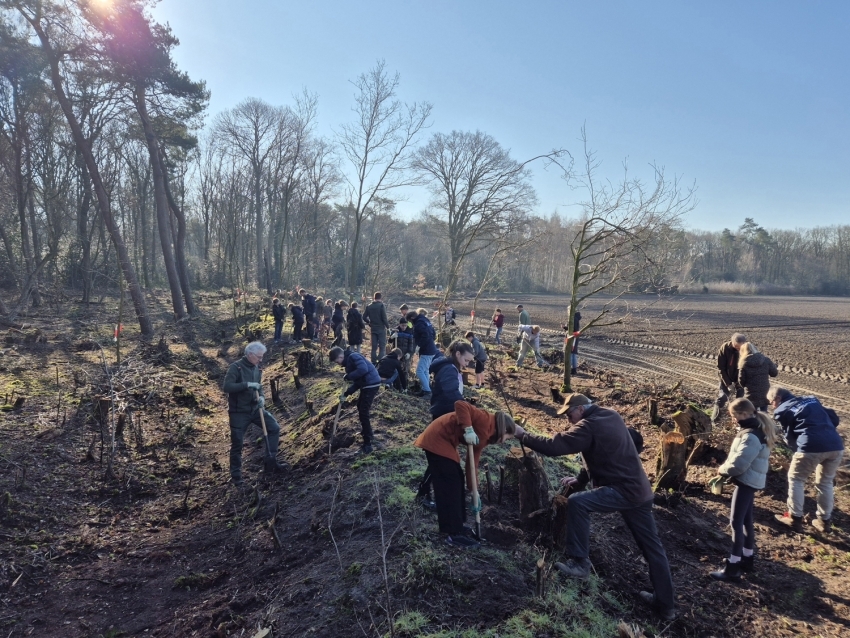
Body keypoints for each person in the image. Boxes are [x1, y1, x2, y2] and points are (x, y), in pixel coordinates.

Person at [513, 393, 676, 621]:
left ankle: (580, 563)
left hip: (623, 491)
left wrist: (523, 435)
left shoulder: (589, 425)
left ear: (580, 409)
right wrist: (580, 480)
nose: (569, 420)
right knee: (652, 548)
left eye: (569, 414)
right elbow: (599, 452)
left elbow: (555, 446)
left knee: (578, 502)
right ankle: (666, 605)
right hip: (640, 491)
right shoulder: (610, 415)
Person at [414, 400, 516, 548]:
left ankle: (458, 525)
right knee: (450, 484)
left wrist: (474, 491)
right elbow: (461, 404)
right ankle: (453, 534)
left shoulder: (486, 436)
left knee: (458, 479)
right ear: (503, 429)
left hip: (447, 442)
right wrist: (468, 429)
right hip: (438, 438)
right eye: (507, 437)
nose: (504, 441)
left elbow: (472, 463)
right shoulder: (485, 419)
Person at [708, 398, 777, 581]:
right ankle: (747, 558)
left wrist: (722, 470)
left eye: (734, 416)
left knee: (735, 523)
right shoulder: (756, 429)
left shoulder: (751, 436)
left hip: (746, 482)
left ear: (743, 414)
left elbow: (739, 464)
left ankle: (732, 568)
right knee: (746, 521)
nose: (733, 419)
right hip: (751, 480)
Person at [769, 387, 844, 533]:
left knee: (796, 478)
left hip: (810, 445)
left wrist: (797, 451)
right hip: (835, 445)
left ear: (777, 399)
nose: (772, 406)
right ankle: (824, 521)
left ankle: (794, 518)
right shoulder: (811, 399)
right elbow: (834, 418)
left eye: (771, 402)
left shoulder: (782, 410)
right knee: (825, 482)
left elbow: (789, 437)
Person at [222, 342, 288, 485]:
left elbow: (259, 388)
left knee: (274, 428)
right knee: (237, 443)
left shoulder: (257, 368)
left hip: (256, 410)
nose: (261, 360)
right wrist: (246, 385)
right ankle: (236, 476)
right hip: (239, 412)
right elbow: (227, 387)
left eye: (261, 357)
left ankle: (270, 463)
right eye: (259, 357)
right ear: (250, 354)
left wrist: (262, 398)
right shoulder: (236, 367)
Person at [329, 346, 382, 453]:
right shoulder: (349, 363)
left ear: (340, 356)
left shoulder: (353, 357)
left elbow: (363, 370)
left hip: (371, 384)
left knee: (363, 412)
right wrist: (347, 393)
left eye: (337, 361)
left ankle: (367, 444)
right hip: (366, 384)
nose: (338, 364)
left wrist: (349, 376)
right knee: (360, 406)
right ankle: (368, 432)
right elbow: (358, 382)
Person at [430, 340, 474, 419]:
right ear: (458, 354)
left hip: (447, 409)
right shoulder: (449, 369)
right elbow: (451, 391)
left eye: (469, 361)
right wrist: (464, 404)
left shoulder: (453, 368)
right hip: (444, 411)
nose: (467, 364)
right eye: (466, 360)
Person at [710, 333, 747, 425]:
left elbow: (746, 367)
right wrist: (728, 384)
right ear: (732, 342)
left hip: (740, 378)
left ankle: (739, 423)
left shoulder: (747, 349)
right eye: (736, 347)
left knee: (739, 401)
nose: (738, 349)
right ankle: (713, 420)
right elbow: (721, 368)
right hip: (726, 377)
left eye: (740, 347)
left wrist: (740, 382)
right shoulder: (725, 348)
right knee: (722, 397)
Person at [737, 342, 778, 411]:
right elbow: (774, 373)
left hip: (750, 393)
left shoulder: (743, 364)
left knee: (752, 412)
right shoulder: (765, 360)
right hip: (764, 391)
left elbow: (741, 381)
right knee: (764, 412)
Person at [409, 309, 437, 399]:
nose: (410, 323)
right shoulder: (425, 320)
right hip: (431, 349)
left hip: (427, 351)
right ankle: (425, 389)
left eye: (410, 321)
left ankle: (428, 391)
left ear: (412, 318)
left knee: (419, 371)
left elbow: (426, 335)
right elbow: (433, 334)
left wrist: (419, 345)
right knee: (425, 371)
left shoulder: (419, 324)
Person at [364, 292, 391, 364]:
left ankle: (373, 361)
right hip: (381, 329)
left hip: (373, 328)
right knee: (382, 346)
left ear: (374, 297)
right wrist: (388, 327)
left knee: (374, 347)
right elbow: (384, 318)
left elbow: (364, 317)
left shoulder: (369, 306)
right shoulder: (381, 306)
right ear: (380, 298)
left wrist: (369, 322)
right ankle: (380, 361)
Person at [563, 309, 582, 374]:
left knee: (570, 353)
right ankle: (574, 369)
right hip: (575, 337)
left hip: (571, 338)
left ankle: (569, 369)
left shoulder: (572, 319)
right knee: (573, 354)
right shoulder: (576, 318)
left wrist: (565, 328)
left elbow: (571, 329)